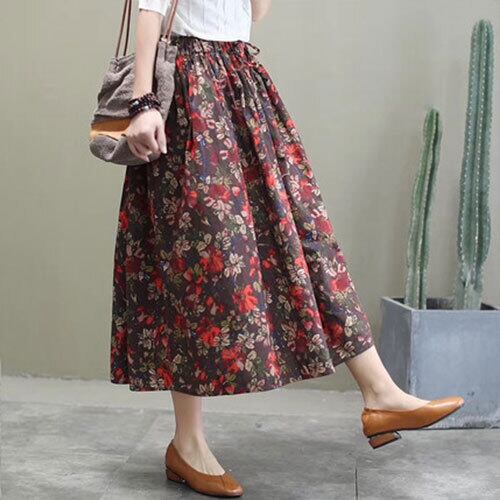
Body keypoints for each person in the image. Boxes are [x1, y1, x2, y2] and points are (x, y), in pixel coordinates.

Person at [109, 0, 464, 496]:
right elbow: (150, 8)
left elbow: (255, 12)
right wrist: (143, 102)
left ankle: (379, 391)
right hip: (189, 93)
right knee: (196, 260)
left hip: (241, 83)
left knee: (305, 236)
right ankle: (188, 442)